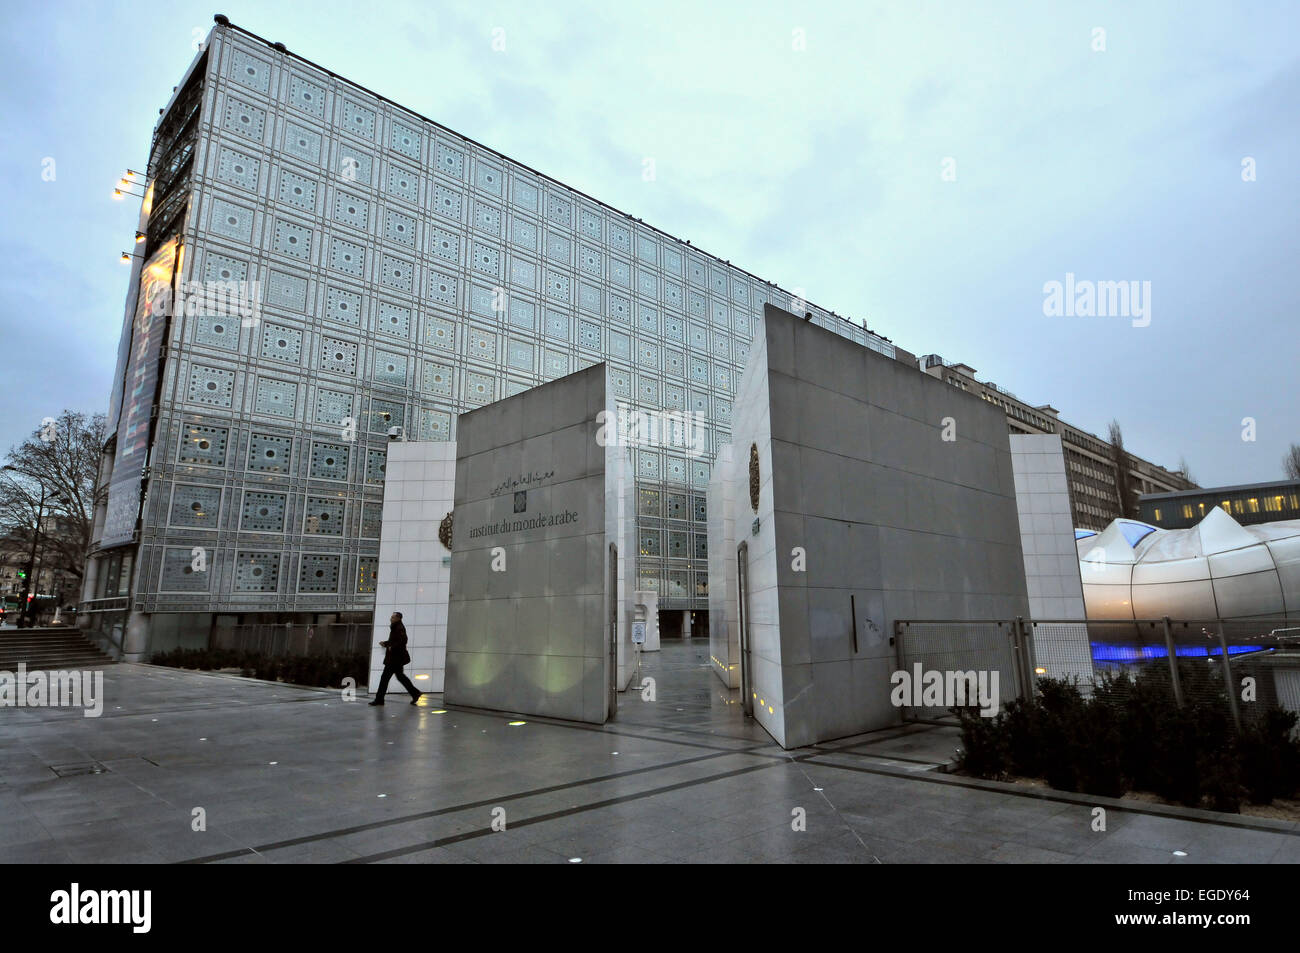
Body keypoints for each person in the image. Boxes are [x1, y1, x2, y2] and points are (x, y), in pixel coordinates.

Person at [370, 611, 421, 706]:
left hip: (394, 659)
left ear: (398, 618)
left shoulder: (399, 628)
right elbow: (395, 641)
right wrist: (385, 643)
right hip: (395, 659)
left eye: (393, 617)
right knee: (400, 677)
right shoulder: (396, 627)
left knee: (384, 678)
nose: (391, 618)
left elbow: (403, 641)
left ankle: (379, 699)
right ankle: (415, 693)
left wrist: (391, 647)